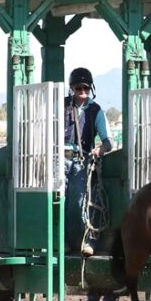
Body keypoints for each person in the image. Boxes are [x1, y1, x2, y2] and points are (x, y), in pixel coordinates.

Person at [63, 67, 113, 258]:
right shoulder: (60, 106)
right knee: (56, 201)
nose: (82, 92)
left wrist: (100, 149)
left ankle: (88, 240)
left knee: (81, 202)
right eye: (78, 88)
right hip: (59, 160)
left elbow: (108, 141)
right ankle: (61, 241)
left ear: (90, 88)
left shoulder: (96, 110)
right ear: (72, 89)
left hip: (81, 161)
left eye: (85, 88)